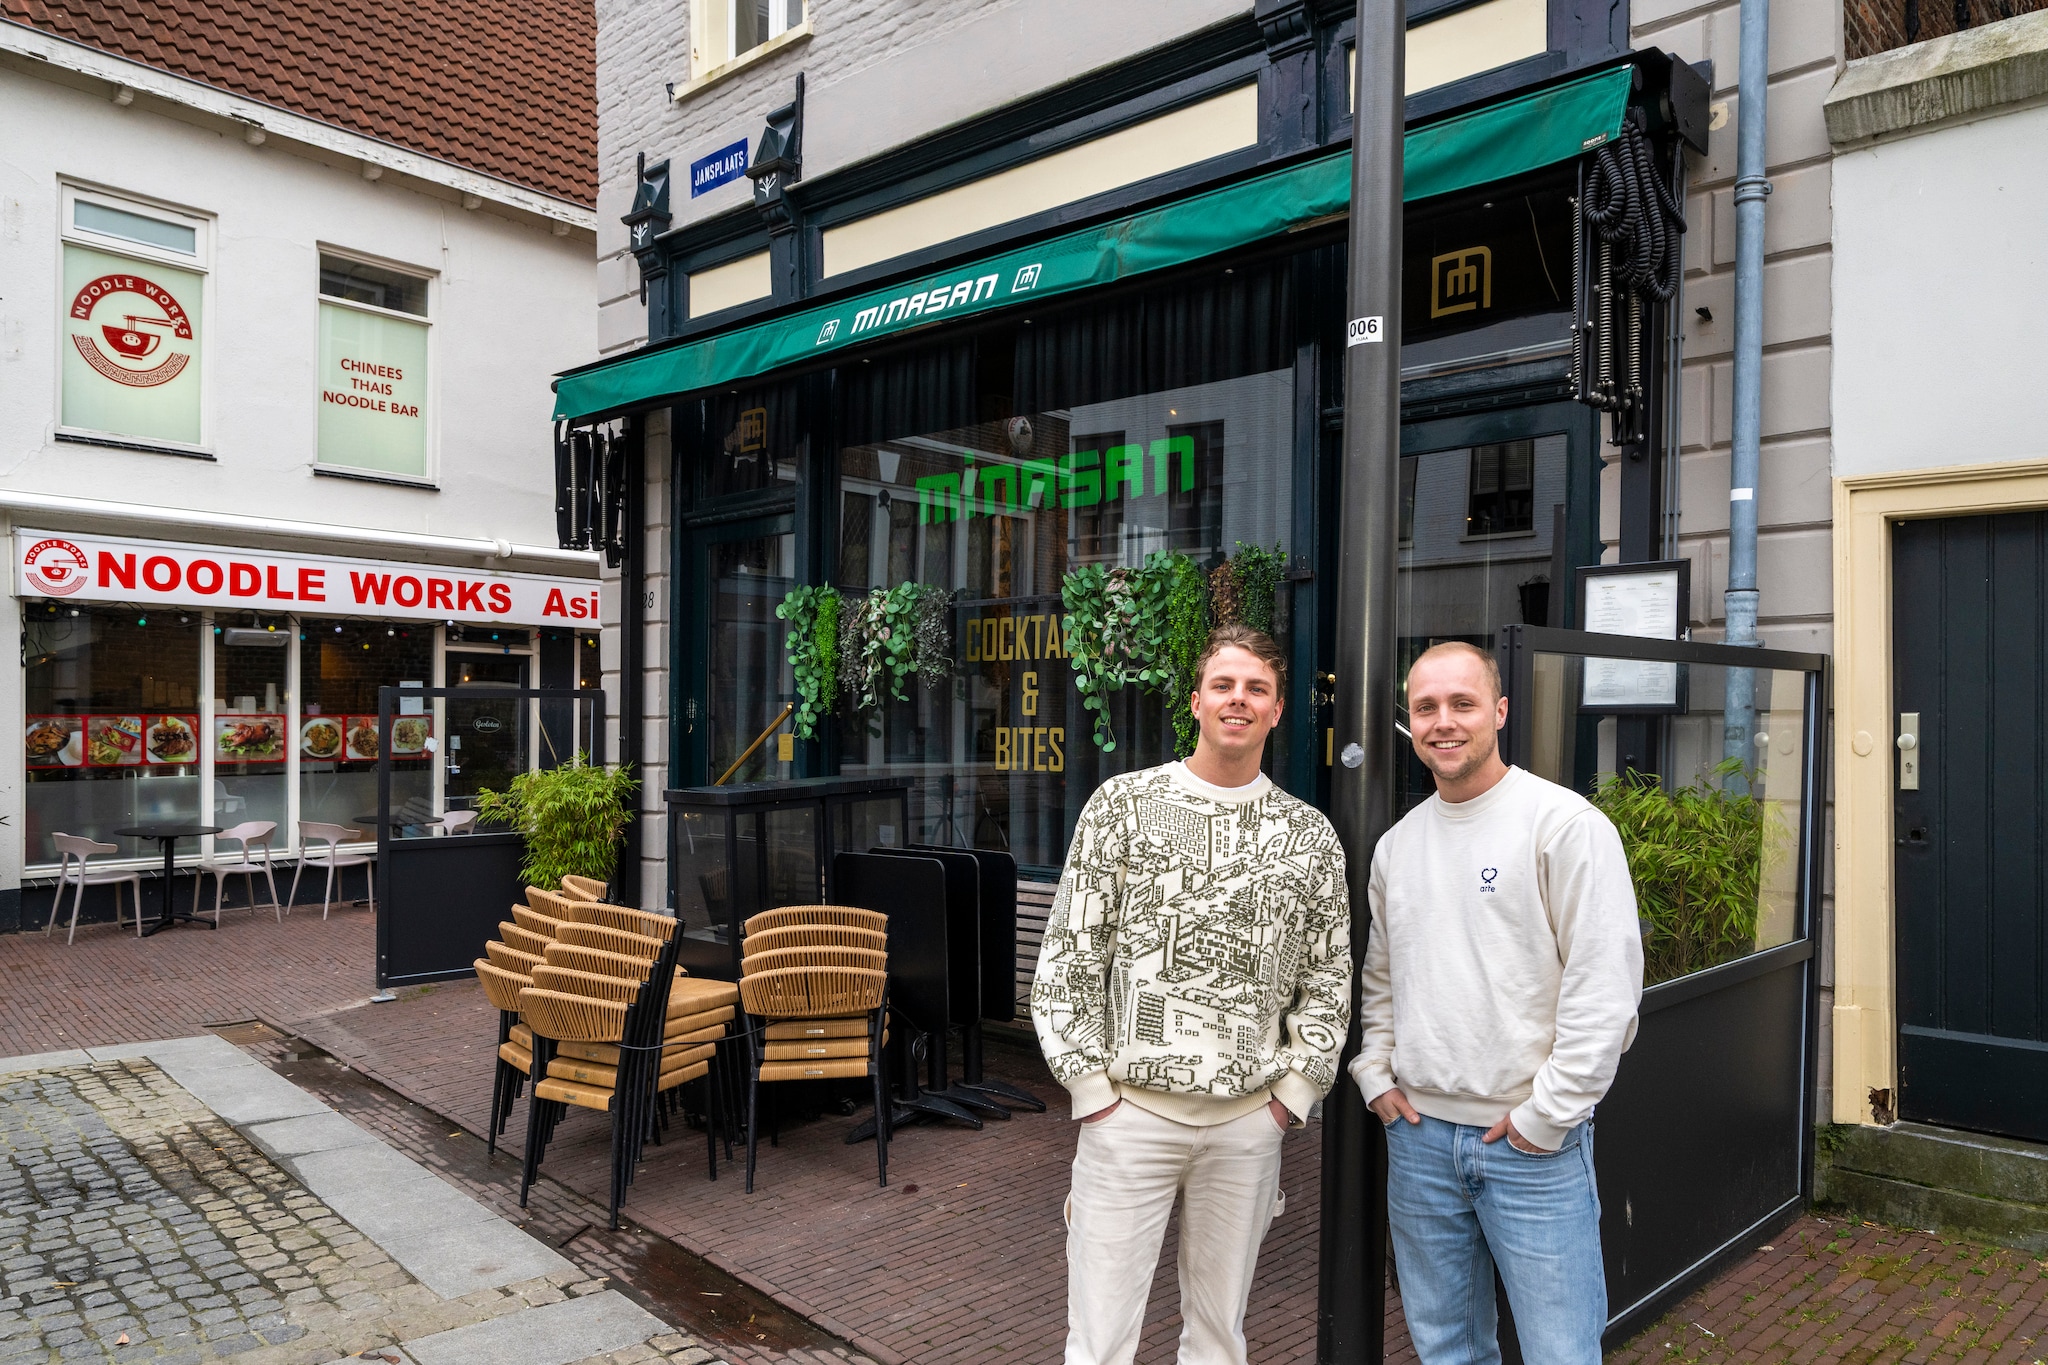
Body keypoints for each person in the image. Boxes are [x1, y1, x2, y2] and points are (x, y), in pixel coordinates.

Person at [1032, 623, 1352, 1365]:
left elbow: (1328, 976)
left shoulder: (1309, 836)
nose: (1239, 699)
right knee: (1099, 1341)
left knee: (1218, 1338)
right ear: (1197, 701)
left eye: (1257, 689)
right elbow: (1072, 953)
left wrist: (1291, 1096)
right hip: (1129, 1118)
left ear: (1277, 710)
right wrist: (1091, 1091)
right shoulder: (1122, 806)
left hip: (1247, 1125)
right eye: (1223, 685)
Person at [1351, 640, 1643, 1365]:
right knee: (1446, 1349)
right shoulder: (1397, 847)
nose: (1443, 721)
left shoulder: (1564, 825)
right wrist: (1376, 1072)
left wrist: (1547, 1117)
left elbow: (1604, 989)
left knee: (1560, 1353)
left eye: (1463, 703)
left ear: (1501, 711)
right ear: (1410, 721)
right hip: (1420, 1140)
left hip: (1530, 1145)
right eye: (1426, 707)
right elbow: (1382, 977)